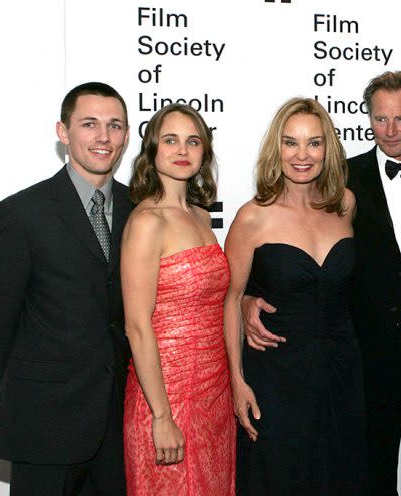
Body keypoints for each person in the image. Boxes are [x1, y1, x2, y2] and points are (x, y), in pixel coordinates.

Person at [244, 71, 401, 494]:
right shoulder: (340, 182)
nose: (390, 130)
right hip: (364, 365)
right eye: (379, 119)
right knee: (368, 480)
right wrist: (246, 300)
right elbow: (282, 256)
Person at [0, 82, 132, 495]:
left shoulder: (140, 209)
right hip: (44, 425)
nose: (103, 137)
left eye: (115, 125)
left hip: (119, 424)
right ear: (63, 132)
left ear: (127, 135)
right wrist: (31, 395)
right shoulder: (21, 214)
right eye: (90, 124)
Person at [223, 97, 366, 495]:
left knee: (340, 475)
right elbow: (231, 299)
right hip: (275, 375)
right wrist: (237, 381)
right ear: (277, 149)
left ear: (328, 149)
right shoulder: (253, 216)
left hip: (340, 368)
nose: (302, 155)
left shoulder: (345, 205)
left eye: (314, 143)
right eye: (291, 143)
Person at [121, 103, 235, 495]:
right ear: (153, 149)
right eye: (170, 140)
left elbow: (218, 299)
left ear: (205, 152)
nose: (182, 149)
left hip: (214, 396)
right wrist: (161, 415)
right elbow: (137, 326)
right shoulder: (146, 222)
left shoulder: (202, 217)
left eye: (193, 141)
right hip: (166, 395)